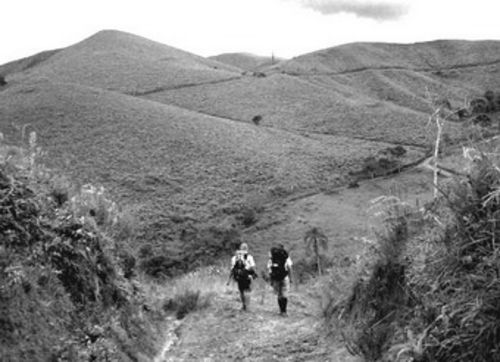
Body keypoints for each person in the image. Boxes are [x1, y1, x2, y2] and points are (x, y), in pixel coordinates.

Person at [227, 243, 257, 311]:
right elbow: (252, 267)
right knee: (247, 290)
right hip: (247, 276)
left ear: (240, 248)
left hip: (238, 276)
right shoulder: (249, 257)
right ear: (247, 248)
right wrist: (252, 274)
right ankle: (247, 306)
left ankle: (243, 306)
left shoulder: (235, 257)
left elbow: (232, 268)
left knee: (241, 290)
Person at [267, 244, 293, 316]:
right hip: (284, 277)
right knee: (284, 294)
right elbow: (290, 267)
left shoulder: (272, 258)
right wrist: (291, 278)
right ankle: (284, 311)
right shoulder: (285, 257)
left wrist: (271, 280)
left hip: (275, 278)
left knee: (279, 294)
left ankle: (281, 310)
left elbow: (269, 269)